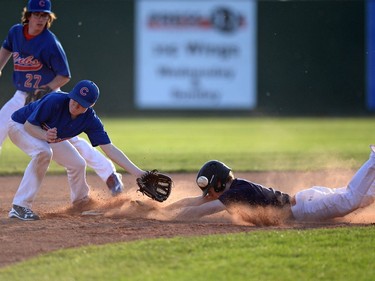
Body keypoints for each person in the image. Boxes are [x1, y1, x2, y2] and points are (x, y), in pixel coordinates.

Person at [0, 0, 123, 196]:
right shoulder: (16, 32)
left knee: (72, 142)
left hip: (50, 100)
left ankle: (109, 174)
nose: (41, 19)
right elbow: (6, 49)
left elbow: (64, 76)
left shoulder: (50, 42)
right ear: (28, 15)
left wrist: (46, 89)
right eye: (37, 14)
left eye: (44, 15)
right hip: (21, 96)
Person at [8, 80, 148, 221]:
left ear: (91, 105)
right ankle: (20, 207)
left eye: (81, 103)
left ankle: (81, 202)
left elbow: (109, 149)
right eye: (74, 99)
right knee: (43, 152)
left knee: (77, 164)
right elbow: (29, 126)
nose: (75, 105)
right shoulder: (54, 100)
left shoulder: (90, 120)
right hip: (19, 126)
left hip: (47, 135)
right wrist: (45, 135)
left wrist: (139, 173)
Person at [166, 146, 375, 224]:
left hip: (305, 208)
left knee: (351, 198)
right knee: (366, 198)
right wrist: (162, 208)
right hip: (306, 201)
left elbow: (204, 210)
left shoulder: (236, 192)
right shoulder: (237, 187)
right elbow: (197, 202)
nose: (207, 195)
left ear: (219, 183)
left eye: (209, 189)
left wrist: (169, 219)